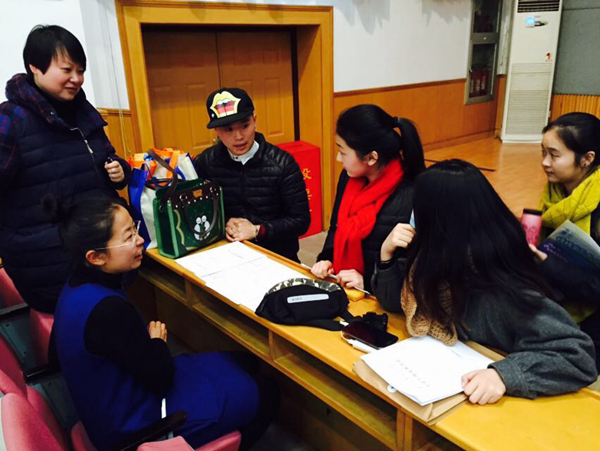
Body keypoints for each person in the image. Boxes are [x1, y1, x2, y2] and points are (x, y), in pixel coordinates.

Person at [45, 195, 278, 450]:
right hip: (136, 425)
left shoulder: (73, 286)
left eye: (135, 229)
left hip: (115, 400)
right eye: (128, 237)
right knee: (266, 392)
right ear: (96, 257)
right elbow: (161, 379)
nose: (140, 240)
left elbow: (55, 355)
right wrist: (156, 342)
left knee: (245, 361)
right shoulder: (108, 311)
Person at [372, 159, 597, 404]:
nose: (413, 217)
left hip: (502, 404)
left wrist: (503, 375)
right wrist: (386, 256)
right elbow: (394, 302)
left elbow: (578, 356)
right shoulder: (431, 260)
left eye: (418, 210)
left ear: (437, 220)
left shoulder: (499, 286)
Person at [0, 25, 131, 313]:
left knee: (107, 318)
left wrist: (120, 170)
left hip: (98, 252)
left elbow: (106, 156)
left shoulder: (82, 111)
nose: (77, 79)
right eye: (67, 70)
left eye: (81, 71)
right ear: (35, 67)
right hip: (48, 262)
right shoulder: (11, 119)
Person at [311, 104, 425, 292]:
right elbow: (336, 227)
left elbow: (411, 270)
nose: (339, 158)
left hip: (380, 296)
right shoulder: (348, 178)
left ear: (371, 157)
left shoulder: (411, 195)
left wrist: (367, 282)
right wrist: (327, 259)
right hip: (344, 284)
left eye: (343, 152)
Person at [193, 87, 310, 262]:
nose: (239, 136)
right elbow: (199, 211)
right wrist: (223, 223)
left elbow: (300, 221)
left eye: (245, 126)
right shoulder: (206, 162)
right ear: (216, 131)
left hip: (278, 256)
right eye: (228, 129)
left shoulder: (282, 163)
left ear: (255, 120)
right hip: (228, 254)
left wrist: (258, 230)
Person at [530, 112, 600, 371]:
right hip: (559, 294)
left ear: (587, 159)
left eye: (554, 155)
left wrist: (548, 264)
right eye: (543, 152)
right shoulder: (555, 194)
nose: (545, 162)